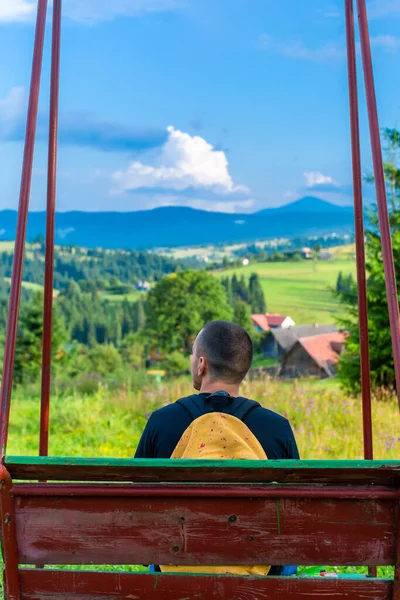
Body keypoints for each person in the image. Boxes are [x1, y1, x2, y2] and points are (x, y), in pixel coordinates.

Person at [136, 320, 299, 576]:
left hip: (175, 573)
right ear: (243, 369)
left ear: (201, 364)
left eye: (193, 355)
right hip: (258, 578)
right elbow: (293, 518)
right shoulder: (277, 428)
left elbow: (138, 512)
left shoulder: (161, 421)